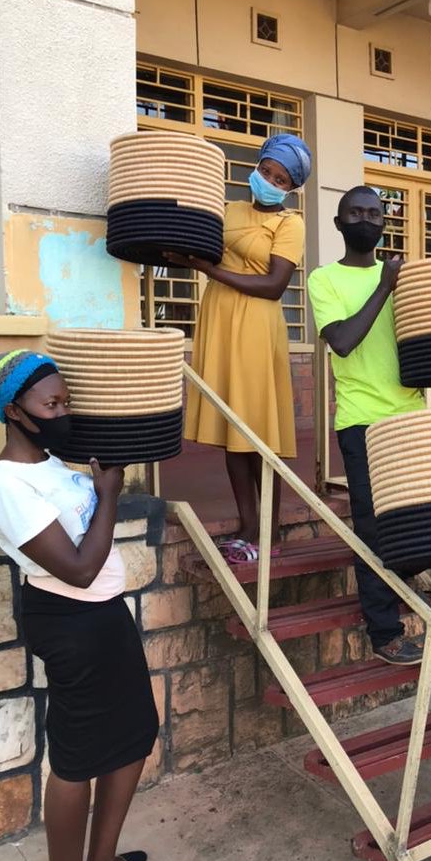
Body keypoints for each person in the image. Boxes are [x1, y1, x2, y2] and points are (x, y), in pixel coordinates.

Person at [0, 350, 158, 861]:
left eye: (65, 401)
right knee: (77, 757)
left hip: (103, 613)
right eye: (51, 404)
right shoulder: (6, 484)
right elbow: (75, 567)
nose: (62, 413)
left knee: (135, 732)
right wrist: (107, 495)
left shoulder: (54, 465)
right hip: (68, 619)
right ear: (15, 413)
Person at [164, 133, 312, 564]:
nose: (267, 180)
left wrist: (211, 270)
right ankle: (248, 528)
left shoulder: (289, 224)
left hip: (255, 327)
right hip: (220, 320)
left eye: (280, 178)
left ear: (292, 187)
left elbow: (273, 285)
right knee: (233, 434)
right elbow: (197, 249)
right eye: (265, 170)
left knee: (257, 434)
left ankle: (268, 532)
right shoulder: (227, 211)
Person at [307, 186, 425, 665]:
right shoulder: (324, 279)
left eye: (374, 214)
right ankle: (384, 632)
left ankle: (404, 583)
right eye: (355, 213)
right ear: (339, 223)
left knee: (418, 518)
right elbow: (342, 342)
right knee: (371, 528)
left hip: (411, 416)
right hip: (361, 420)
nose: (365, 220)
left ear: (383, 224)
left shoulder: (404, 276)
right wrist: (384, 287)